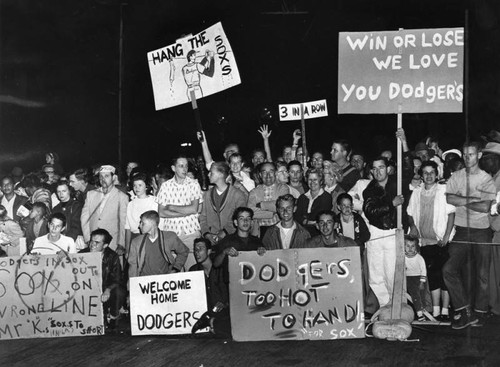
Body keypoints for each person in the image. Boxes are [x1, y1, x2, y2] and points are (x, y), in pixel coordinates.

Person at [443, 141, 496, 329]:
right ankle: (464, 309)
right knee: (449, 269)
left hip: (481, 230)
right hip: (461, 230)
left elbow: (485, 207)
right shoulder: (456, 176)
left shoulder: (486, 179)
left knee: (482, 274)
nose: (467, 158)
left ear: (479, 155)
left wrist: (462, 201)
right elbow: (449, 198)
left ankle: (480, 312)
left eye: (471, 155)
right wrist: (472, 200)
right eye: (464, 155)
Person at [407, 160, 455, 320]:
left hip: (441, 241)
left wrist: (446, 237)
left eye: (431, 172)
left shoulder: (443, 190)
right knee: (433, 275)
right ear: (421, 175)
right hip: (425, 241)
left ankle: (445, 310)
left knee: (444, 275)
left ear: (437, 174)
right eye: (425, 172)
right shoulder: (416, 192)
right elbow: (410, 213)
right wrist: (413, 226)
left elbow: (451, 214)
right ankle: (435, 311)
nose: (428, 176)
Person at [363, 156, 406, 307]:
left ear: (387, 169)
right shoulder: (369, 190)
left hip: (393, 233)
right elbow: (370, 211)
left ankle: (397, 306)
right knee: (375, 275)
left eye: (381, 167)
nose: (378, 171)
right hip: (375, 233)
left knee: (392, 272)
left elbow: (408, 167)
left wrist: (404, 142)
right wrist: (391, 204)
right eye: (374, 168)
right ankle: (385, 306)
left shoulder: (398, 183)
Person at [156, 155, 203, 270]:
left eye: (186, 166)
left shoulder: (194, 184)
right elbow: (161, 212)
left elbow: (194, 209)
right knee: (175, 272)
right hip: (171, 233)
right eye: (181, 166)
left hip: (191, 232)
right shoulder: (165, 186)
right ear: (173, 168)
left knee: (193, 270)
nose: (185, 169)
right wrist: (185, 212)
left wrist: (172, 206)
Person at [80, 229, 126, 330]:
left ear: (105, 245)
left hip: (105, 289)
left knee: (119, 292)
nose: (92, 244)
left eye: (97, 242)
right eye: (91, 241)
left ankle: (114, 315)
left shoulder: (112, 256)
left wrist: (108, 289)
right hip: (88, 290)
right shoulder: (82, 253)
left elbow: (118, 278)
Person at [81, 165, 129, 253]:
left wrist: (121, 244)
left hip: (113, 244)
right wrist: (88, 239)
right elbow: (84, 218)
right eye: (101, 176)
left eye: (106, 176)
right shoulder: (91, 194)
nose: (103, 179)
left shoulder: (122, 197)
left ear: (113, 178)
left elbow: (123, 223)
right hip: (93, 244)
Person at [190, 238, 231, 337]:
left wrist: (225, 303)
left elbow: (232, 290)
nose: (197, 252)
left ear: (209, 251)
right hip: (205, 311)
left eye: (201, 248)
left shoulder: (221, 267)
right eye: (195, 249)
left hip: (225, 310)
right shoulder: (193, 271)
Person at [128, 210, 189, 277]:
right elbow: (132, 266)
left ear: (152, 224)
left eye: (143, 223)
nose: (139, 226)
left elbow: (184, 251)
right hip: (144, 282)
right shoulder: (136, 242)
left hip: (164, 280)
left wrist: (176, 268)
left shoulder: (169, 237)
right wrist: (132, 283)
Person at [200, 162, 246, 247]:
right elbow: (203, 217)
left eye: (211, 172)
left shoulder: (238, 195)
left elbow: (240, 218)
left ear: (221, 174)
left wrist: (225, 232)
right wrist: (206, 233)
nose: (208, 174)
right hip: (211, 240)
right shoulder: (207, 194)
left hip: (232, 240)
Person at [248, 162, 290, 238]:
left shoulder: (283, 188)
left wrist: (260, 205)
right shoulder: (254, 192)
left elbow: (282, 206)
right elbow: (251, 212)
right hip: (259, 231)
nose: (268, 175)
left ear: (276, 173)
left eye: (271, 172)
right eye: (264, 172)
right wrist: (271, 213)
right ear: (260, 175)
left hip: (279, 229)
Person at [482, 142, 500, 316]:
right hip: (494, 232)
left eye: (490, 157)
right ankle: (495, 307)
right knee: (494, 271)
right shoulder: (492, 178)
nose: (487, 160)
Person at [125, 172, 157, 254]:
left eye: (140, 185)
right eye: (134, 185)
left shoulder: (154, 201)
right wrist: (127, 249)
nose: (136, 188)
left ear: (146, 186)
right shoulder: (130, 204)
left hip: (151, 239)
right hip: (135, 239)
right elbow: (128, 228)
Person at [294, 169, 333, 236]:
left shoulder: (326, 197)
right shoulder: (302, 197)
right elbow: (297, 217)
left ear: (321, 181)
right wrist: (308, 222)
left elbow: (319, 218)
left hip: (319, 233)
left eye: (315, 180)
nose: (312, 182)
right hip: (301, 233)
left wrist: (305, 221)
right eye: (310, 179)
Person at [405, 235, 431, 321]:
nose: (410, 248)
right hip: (409, 278)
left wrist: (422, 281)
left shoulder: (419, 258)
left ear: (416, 247)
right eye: (408, 246)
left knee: (422, 295)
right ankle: (419, 313)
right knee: (415, 295)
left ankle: (423, 311)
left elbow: (423, 270)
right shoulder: (403, 257)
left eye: (412, 246)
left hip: (419, 278)